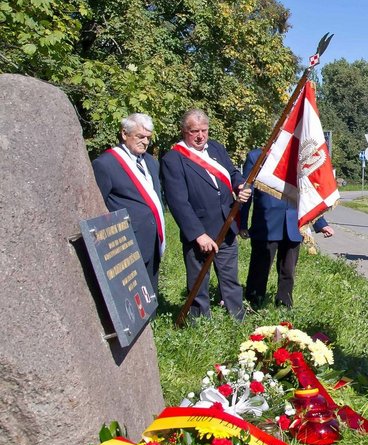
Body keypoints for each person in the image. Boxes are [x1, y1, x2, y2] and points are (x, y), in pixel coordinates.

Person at [161, 108, 251, 320]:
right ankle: (199, 322)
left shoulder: (216, 149)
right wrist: (197, 234)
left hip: (226, 224)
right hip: (200, 229)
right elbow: (178, 202)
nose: (200, 136)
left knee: (230, 277)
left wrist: (240, 186)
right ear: (184, 131)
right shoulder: (173, 159)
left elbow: (233, 173)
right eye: (194, 131)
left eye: (204, 130)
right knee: (199, 280)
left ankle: (237, 318)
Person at [240, 148, 334, 309]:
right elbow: (246, 192)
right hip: (266, 223)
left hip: (293, 224)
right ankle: (253, 305)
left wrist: (320, 223)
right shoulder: (257, 156)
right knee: (259, 270)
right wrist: (241, 223)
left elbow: (308, 194)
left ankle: (284, 307)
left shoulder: (299, 159)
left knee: (288, 271)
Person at [92, 113, 166, 292]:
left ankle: (151, 319)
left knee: (150, 290)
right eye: (140, 137)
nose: (145, 142)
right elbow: (96, 207)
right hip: (126, 242)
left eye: (148, 137)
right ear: (125, 134)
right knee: (130, 294)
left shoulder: (151, 162)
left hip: (153, 237)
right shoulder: (106, 164)